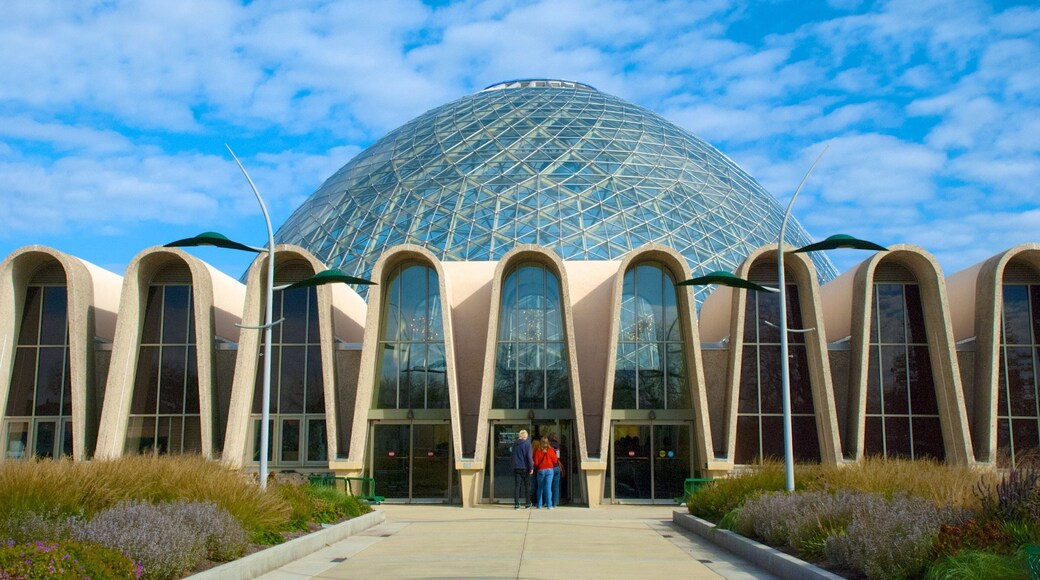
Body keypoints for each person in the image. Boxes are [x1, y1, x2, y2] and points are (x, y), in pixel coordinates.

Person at [533, 436, 559, 509]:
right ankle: (549, 505)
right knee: (548, 488)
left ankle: (539, 504)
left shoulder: (537, 451)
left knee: (540, 488)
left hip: (541, 470)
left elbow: (536, 463)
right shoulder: (551, 450)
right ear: (548, 442)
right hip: (550, 470)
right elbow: (555, 461)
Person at [511, 429, 533, 509]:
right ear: (525, 436)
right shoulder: (527, 444)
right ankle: (527, 503)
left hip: (516, 467)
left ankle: (516, 504)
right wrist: (531, 467)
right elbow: (529, 457)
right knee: (527, 486)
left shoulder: (514, 444)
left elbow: (512, 456)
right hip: (525, 468)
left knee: (517, 486)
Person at [549, 433, 562, 507]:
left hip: (549, 467)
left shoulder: (548, 445)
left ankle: (548, 501)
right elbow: (558, 457)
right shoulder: (557, 445)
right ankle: (555, 502)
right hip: (556, 466)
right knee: (556, 486)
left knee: (548, 485)